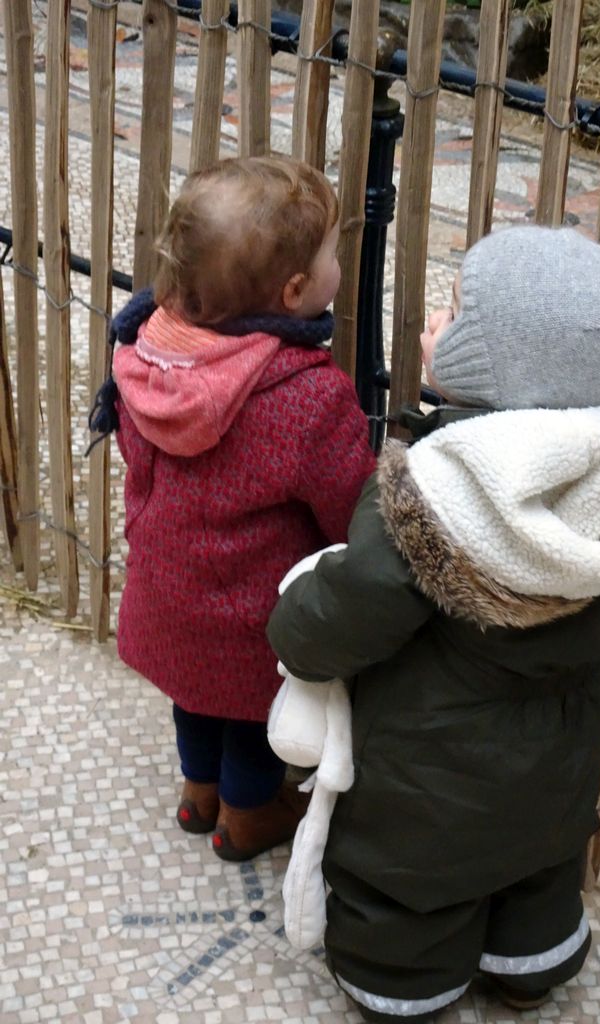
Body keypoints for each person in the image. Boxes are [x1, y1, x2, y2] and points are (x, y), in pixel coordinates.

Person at [266, 226, 600, 1022]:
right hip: (559, 761)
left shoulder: (437, 499)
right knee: (539, 863)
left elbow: (353, 611)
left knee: (409, 884)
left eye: (452, 315)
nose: (430, 327)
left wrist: (293, 623)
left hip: (430, 778)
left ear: (495, 364)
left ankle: (404, 986)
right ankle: (531, 962)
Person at [89, 156, 375, 862]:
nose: (341, 264)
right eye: (333, 253)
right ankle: (247, 819)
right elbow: (349, 506)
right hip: (252, 616)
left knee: (194, 694)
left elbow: (134, 449)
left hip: (167, 591)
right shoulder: (308, 395)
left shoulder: (146, 356)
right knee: (253, 716)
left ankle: (199, 793)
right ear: (296, 289)